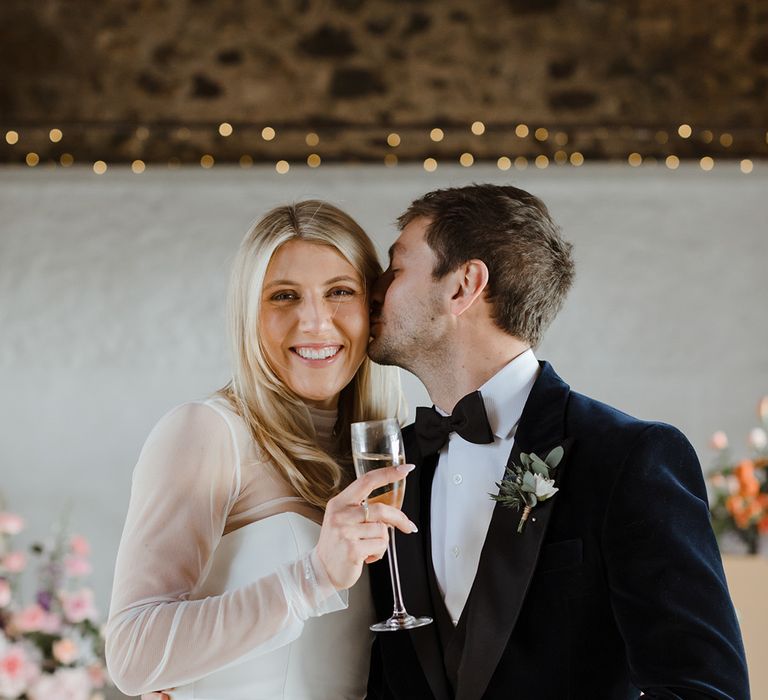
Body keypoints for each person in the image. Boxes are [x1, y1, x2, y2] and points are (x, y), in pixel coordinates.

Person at [365, 184, 750, 699]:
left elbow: (704, 689)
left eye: (396, 269)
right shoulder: (393, 464)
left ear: (463, 286)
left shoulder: (629, 457)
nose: (373, 290)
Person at [105, 201, 418, 700]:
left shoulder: (384, 453)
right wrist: (312, 578)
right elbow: (133, 655)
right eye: (284, 296)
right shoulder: (207, 433)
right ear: (248, 314)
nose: (315, 322)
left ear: (372, 307)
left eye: (340, 291)